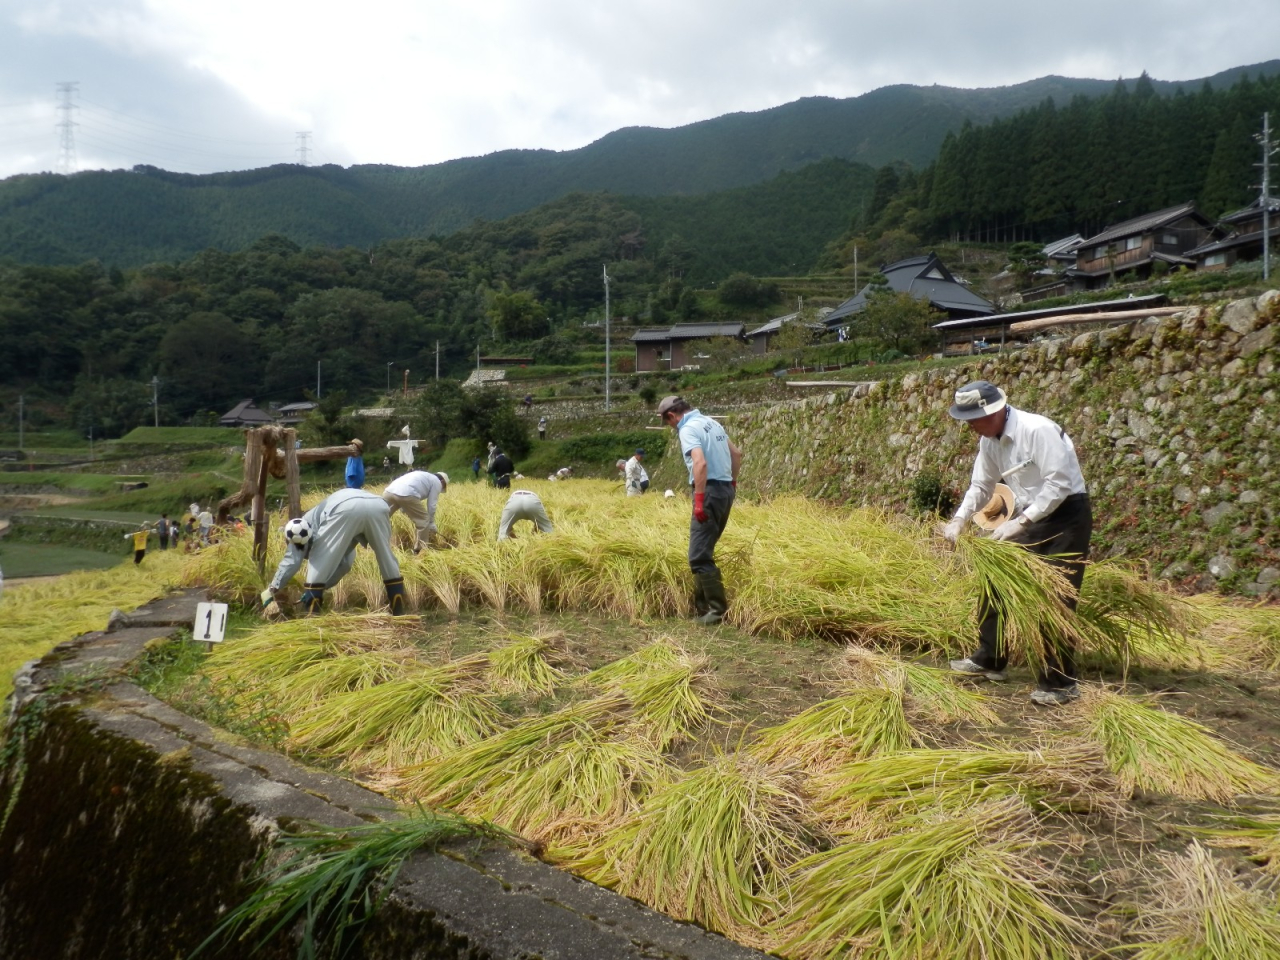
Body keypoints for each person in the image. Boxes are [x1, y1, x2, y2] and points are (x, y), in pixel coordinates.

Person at [937, 380, 1091, 706]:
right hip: (1028, 515)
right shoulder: (989, 442)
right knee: (995, 581)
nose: (970, 425)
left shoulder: (1037, 430)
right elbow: (981, 485)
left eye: (973, 418)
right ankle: (990, 658)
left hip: (1066, 517)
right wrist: (958, 522)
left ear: (993, 410)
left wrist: (1019, 523)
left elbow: (1059, 485)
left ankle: (1059, 682)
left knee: (1055, 596)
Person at [657, 396, 742, 626]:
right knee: (705, 549)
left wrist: (699, 501)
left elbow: (700, 463)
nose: (670, 427)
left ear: (672, 416)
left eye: (668, 422)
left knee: (698, 554)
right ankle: (701, 606)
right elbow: (736, 455)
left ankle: (716, 611)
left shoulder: (688, 429)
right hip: (724, 491)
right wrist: (732, 485)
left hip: (709, 492)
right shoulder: (712, 423)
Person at [261, 487, 407, 617]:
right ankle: (399, 613)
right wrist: (321, 588)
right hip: (378, 504)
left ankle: (311, 616)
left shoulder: (299, 529)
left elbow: (292, 560)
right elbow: (344, 564)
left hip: (343, 508)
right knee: (386, 557)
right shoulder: (322, 523)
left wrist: (272, 588)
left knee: (318, 563)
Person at [383, 470, 448, 553]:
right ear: (442, 481)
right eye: (443, 486)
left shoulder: (423, 475)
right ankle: (420, 550)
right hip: (406, 493)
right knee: (424, 520)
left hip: (389, 492)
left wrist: (406, 509)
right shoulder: (437, 482)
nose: (441, 488)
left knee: (381, 517)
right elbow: (431, 505)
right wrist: (431, 523)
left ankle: (371, 541)